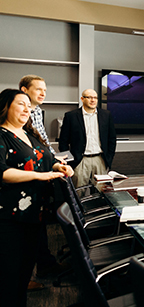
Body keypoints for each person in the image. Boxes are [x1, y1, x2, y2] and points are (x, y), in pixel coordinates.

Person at [0, 89, 73, 307]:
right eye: (21, 104)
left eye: (28, 106)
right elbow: (2, 172)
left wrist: (58, 166)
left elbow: (47, 159)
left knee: (23, 275)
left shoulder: (28, 134)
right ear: (6, 107)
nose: (27, 109)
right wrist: (40, 175)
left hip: (34, 216)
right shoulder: (2, 135)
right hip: (9, 218)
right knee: (8, 278)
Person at [19, 75, 68, 286]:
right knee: (26, 231)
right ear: (23, 90)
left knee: (39, 226)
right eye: (38, 89)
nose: (43, 93)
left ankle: (44, 264)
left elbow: (42, 143)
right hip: (27, 181)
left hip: (42, 174)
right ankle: (25, 277)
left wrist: (54, 159)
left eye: (45, 90)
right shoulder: (21, 113)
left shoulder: (37, 111)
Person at [58, 89, 116, 188]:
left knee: (102, 193)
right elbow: (63, 142)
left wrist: (108, 159)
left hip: (100, 160)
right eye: (89, 97)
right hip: (80, 161)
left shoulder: (106, 115)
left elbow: (112, 139)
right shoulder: (71, 116)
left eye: (95, 98)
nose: (92, 100)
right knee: (79, 193)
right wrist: (70, 162)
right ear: (82, 99)